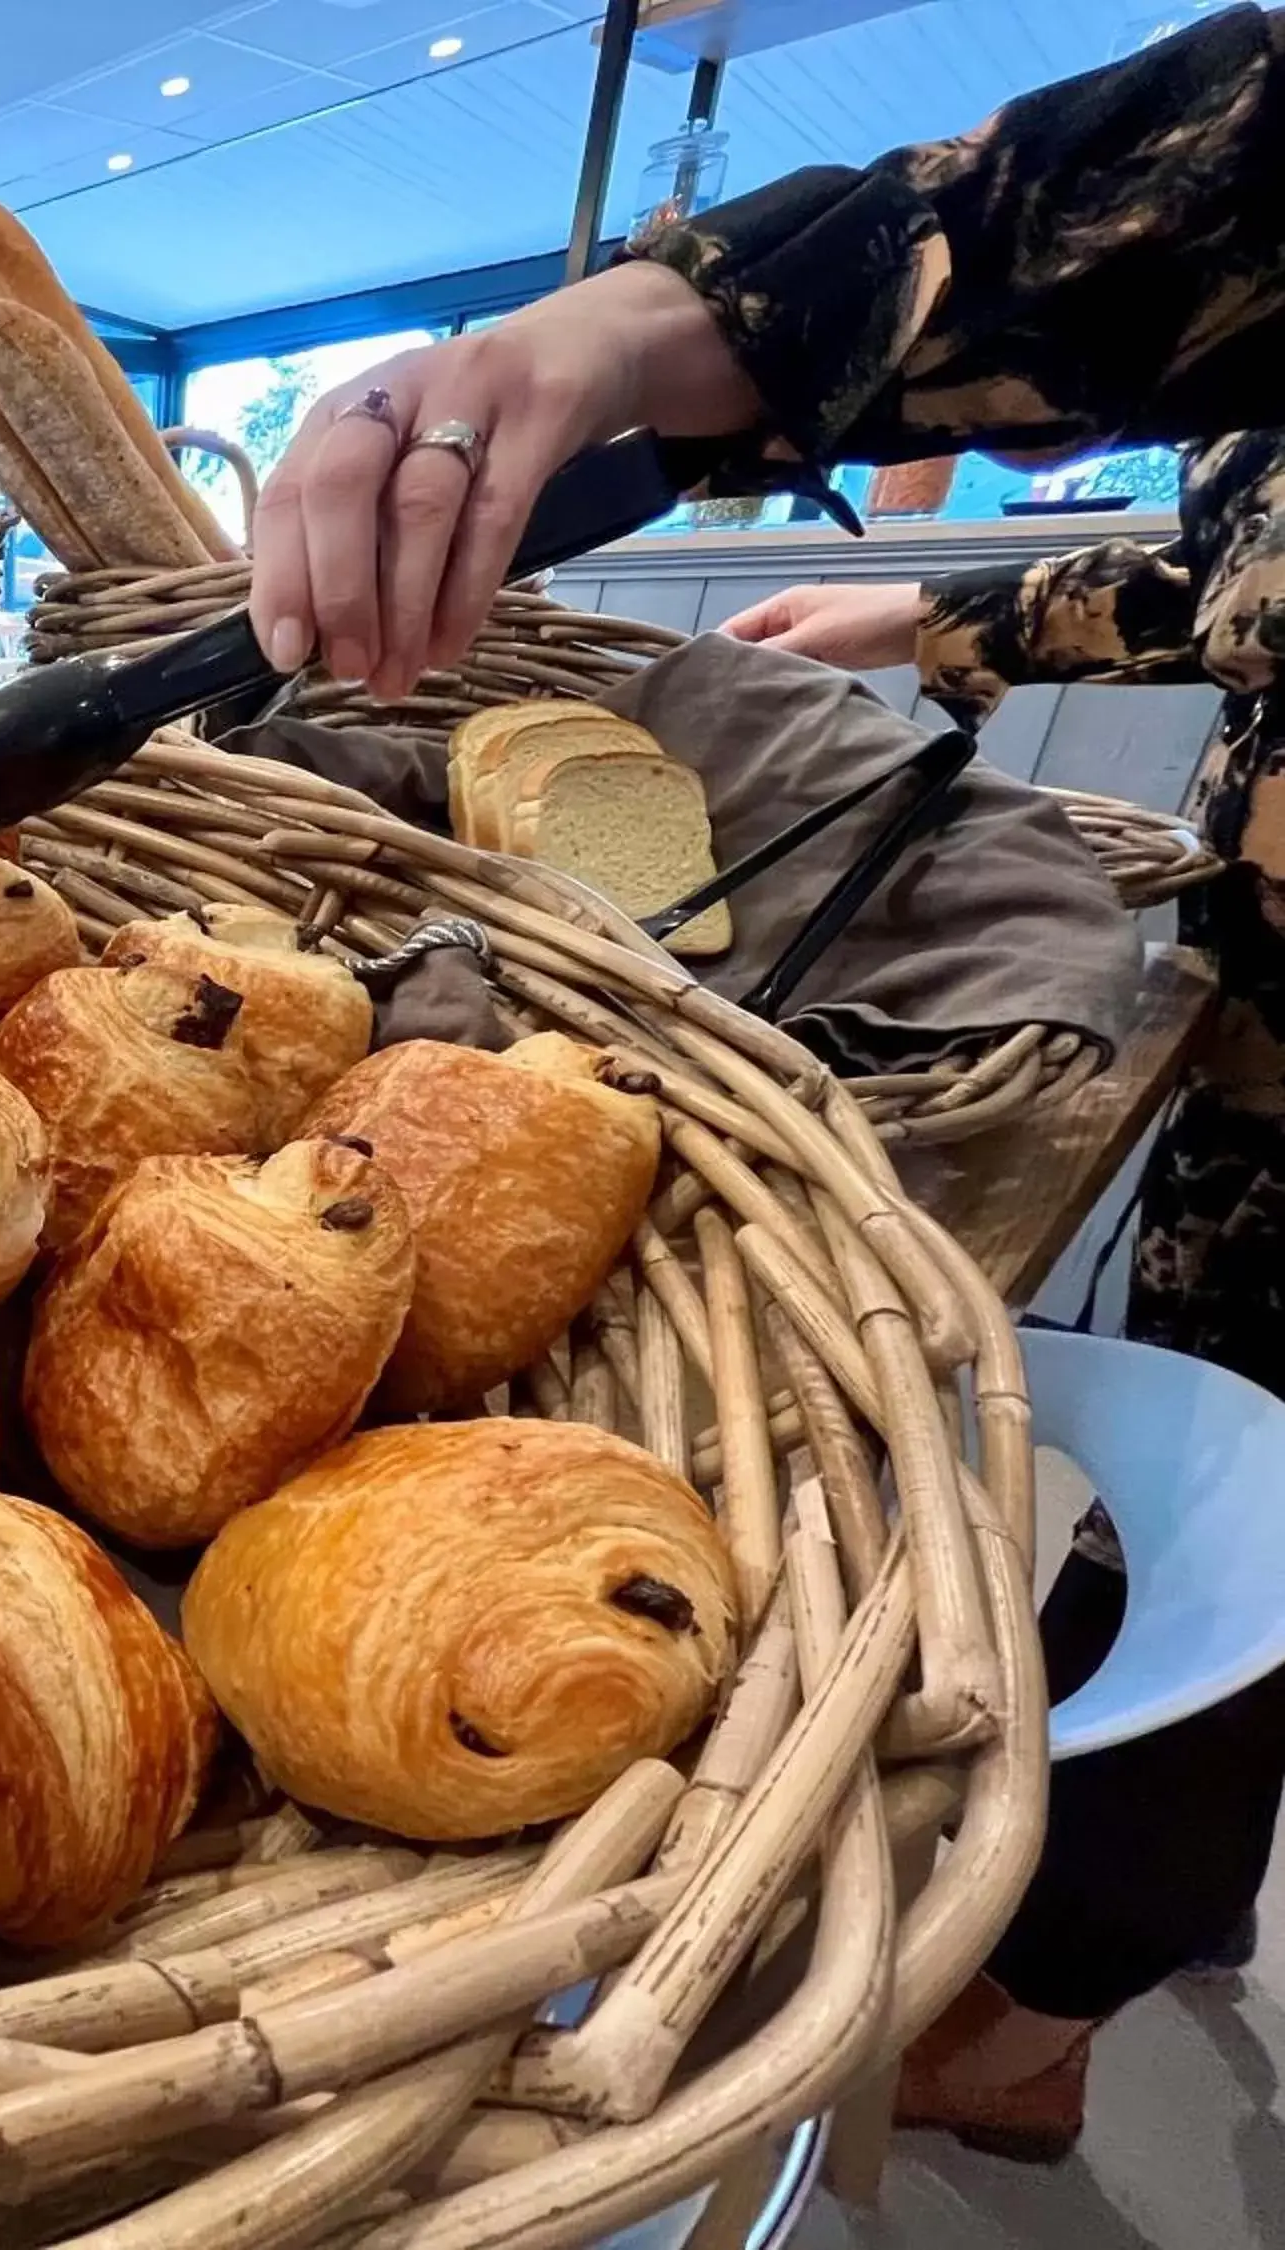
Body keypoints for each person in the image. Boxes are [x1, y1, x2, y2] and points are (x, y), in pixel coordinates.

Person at [245, 2, 1285, 2167]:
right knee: (1221, 1478)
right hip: (1271, 1066)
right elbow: (1228, 563)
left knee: (1204, 1545)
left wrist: (640, 336)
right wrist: (926, 627)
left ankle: (1049, 1979)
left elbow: (1137, 191)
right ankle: (1065, 1987)